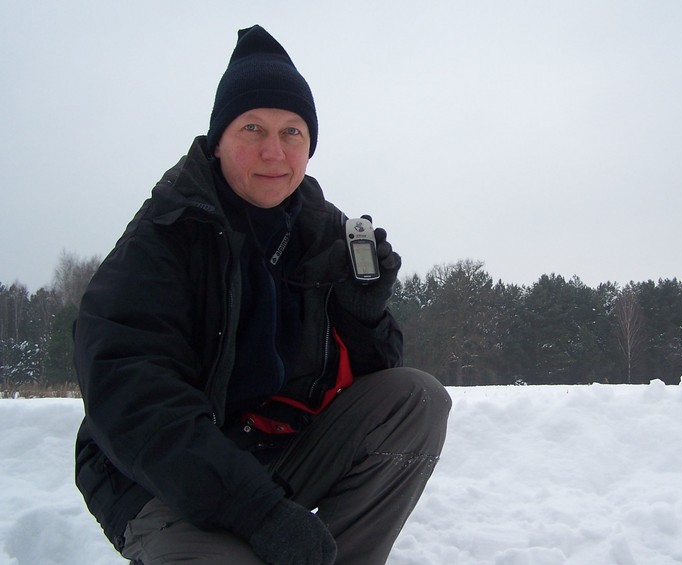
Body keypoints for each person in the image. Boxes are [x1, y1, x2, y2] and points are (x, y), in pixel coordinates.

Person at [73, 25, 451, 565]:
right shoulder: (165, 236)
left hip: (274, 448)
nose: (274, 151)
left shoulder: (325, 232)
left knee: (415, 398)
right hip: (158, 474)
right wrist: (260, 513)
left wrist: (365, 314)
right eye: (253, 128)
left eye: (292, 132)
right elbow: (134, 400)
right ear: (219, 139)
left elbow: (368, 380)